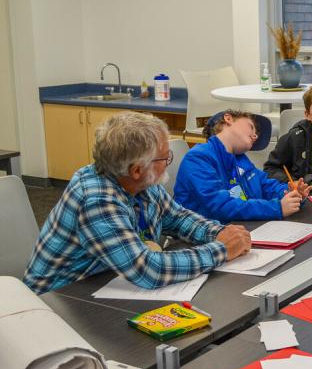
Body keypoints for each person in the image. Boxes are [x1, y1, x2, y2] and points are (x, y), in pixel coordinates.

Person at [24, 111, 251, 294]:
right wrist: (221, 250)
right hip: (60, 301)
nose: (168, 163)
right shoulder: (96, 200)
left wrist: (220, 233)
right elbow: (148, 270)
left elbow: (179, 219)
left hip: (107, 281)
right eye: (165, 158)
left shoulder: (141, 182)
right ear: (136, 170)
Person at [174, 110, 310, 222]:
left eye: (256, 134)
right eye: (251, 127)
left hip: (243, 230)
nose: (255, 136)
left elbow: (266, 185)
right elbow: (220, 207)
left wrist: (291, 192)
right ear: (228, 118)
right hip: (206, 239)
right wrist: (277, 208)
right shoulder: (198, 158)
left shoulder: (241, 160)